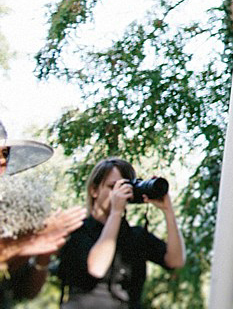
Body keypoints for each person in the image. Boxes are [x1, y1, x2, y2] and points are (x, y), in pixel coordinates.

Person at [56, 158, 185, 309]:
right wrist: (116, 212)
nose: (119, 193)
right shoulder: (77, 230)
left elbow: (175, 261)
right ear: (94, 190)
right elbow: (97, 268)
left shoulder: (136, 235)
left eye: (124, 187)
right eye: (112, 187)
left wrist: (168, 211)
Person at [0, 119, 85, 308]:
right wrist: (30, 241)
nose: (3, 160)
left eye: (5, 153)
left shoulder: (9, 214)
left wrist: (44, 252)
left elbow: (26, 292)